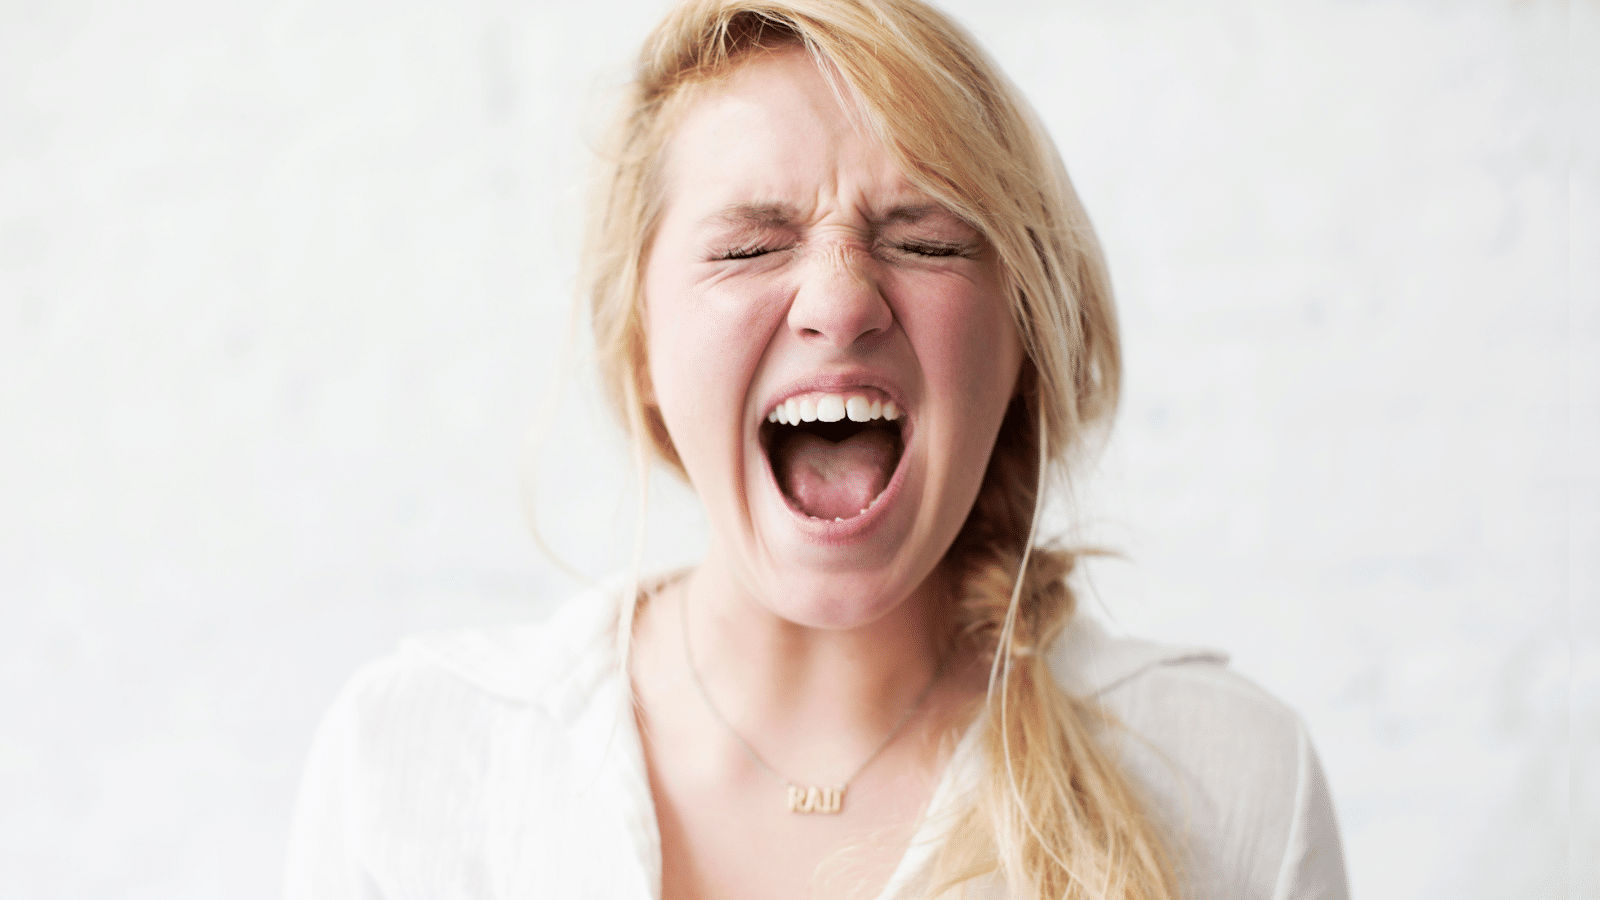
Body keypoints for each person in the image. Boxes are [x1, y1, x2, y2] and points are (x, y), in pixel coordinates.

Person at [283, 1, 1350, 898]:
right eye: (749, 246)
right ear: (645, 348)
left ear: (1019, 344)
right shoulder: (414, 762)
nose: (840, 304)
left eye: (925, 241)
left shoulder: (1232, 784)